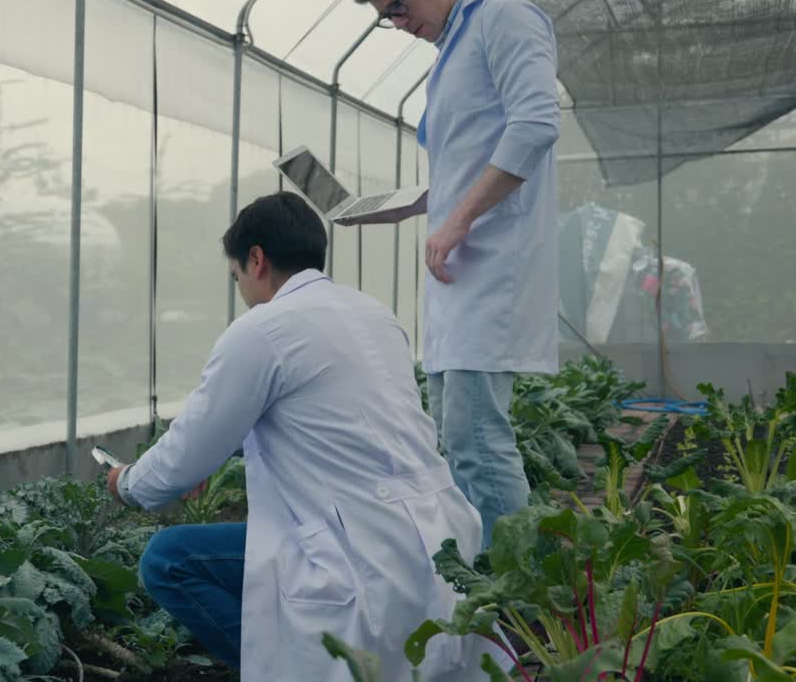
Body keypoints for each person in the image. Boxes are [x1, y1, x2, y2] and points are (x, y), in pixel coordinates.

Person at [107, 191, 504, 681]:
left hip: (357, 544)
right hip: (438, 535)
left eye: (236, 278)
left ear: (255, 260)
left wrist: (126, 482)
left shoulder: (262, 329)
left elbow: (183, 454)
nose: (242, 291)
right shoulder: (373, 314)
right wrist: (214, 454)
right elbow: (327, 415)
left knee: (168, 560)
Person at [350, 0, 561, 549]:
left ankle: (513, 596)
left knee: (476, 437)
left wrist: (458, 219)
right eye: (386, 19)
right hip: (462, 271)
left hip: (494, 265)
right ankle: (479, 582)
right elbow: (468, 165)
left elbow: (536, 125)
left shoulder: (505, 18)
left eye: (397, 5)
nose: (398, 23)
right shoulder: (453, 49)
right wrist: (411, 205)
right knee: (457, 434)